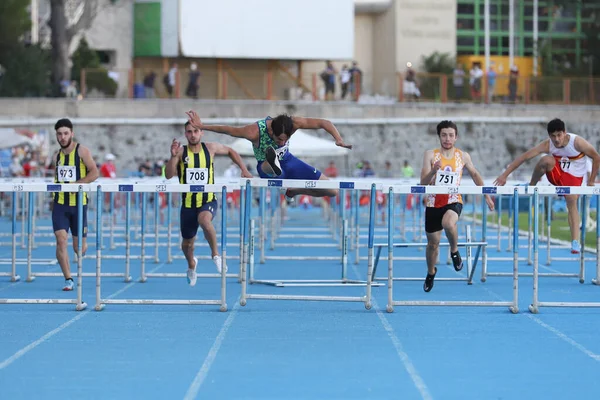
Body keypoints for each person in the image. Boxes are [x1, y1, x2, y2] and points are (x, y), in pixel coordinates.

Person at [185, 110, 352, 199]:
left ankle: (295, 190)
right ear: (272, 131)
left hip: (289, 161)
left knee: (332, 191)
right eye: (278, 139)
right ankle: (272, 162)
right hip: (265, 166)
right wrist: (202, 126)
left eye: (284, 140)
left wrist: (338, 139)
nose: (281, 142)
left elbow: (324, 123)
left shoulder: (294, 123)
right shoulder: (254, 131)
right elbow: (229, 130)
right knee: (268, 164)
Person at [165, 120, 252, 287]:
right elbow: (169, 175)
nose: (192, 135)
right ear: (185, 134)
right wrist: (173, 156)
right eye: (189, 132)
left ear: (201, 133)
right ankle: (191, 264)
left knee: (204, 221)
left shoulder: (210, 148)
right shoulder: (181, 151)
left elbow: (230, 151)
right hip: (189, 203)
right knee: (187, 244)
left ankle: (216, 255)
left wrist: (244, 169)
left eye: (195, 131)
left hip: (208, 199)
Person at [493, 118, 600, 254]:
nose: (556, 139)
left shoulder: (577, 142)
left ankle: (575, 242)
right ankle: (532, 186)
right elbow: (525, 157)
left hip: (574, 177)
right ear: (549, 136)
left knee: (571, 201)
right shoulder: (548, 144)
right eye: (553, 136)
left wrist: (591, 181)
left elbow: (596, 157)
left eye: (559, 135)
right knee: (545, 160)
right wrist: (504, 175)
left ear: (565, 133)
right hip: (557, 174)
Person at [420, 120, 495, 292]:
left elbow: (475, 174)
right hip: (433, 202)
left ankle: (454, 251)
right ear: (439, 136)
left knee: (448, 223)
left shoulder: (463, 156)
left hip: (453, 200)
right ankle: (431, 272)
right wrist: (433, 171)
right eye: (444, 135)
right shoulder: (430, 155)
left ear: (456, 137)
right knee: (433, 244)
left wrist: (486, 195)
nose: (447, 139)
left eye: (451, 135)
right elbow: (422, 182)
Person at [51, 118, 99, 291]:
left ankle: (82, 249)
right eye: (59, 134)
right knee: (60, 240)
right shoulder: (56, 156)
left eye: (65, 133)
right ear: (56, 135)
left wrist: (78, 184)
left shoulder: (82, 151)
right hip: (60, 204)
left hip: (79, 204)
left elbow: (95, 173)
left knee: (79, 248)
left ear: (72, 133)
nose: (62, 137)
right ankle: (68, 279)